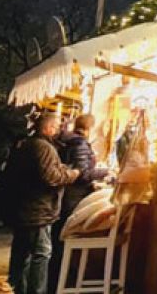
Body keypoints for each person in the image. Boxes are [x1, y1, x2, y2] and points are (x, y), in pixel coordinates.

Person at [0, 111, 81, 294]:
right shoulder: (43, 147)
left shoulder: (28, 144)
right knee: (41, 253)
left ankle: (15, 288)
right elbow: (50, 177)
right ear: (48, 128)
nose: (60, 129)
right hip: (37, 210)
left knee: (22, 253)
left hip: (26, 208)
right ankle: (35, 290)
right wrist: (72, 174)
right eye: (57, 126)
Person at [49, 114, 107, 287]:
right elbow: (82, 173)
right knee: (62, 241)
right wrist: (104, 172)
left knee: (58, 241)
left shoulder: (66, 141)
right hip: (73, 198)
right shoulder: (80, 143)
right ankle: (60, 281)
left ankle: (54, 281)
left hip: (64, 197)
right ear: (89, 128)